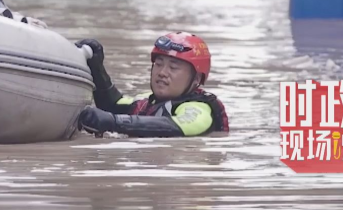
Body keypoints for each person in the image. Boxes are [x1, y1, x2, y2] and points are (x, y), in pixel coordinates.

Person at [75, 32, 229, 138]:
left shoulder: (199, 109)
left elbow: (173, 126)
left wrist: (115, 122)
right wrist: (96, 67)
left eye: (173, 67)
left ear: (196, 79)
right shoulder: (146, 101)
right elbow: (112, 105)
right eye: (158, 64)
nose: (162, 72)